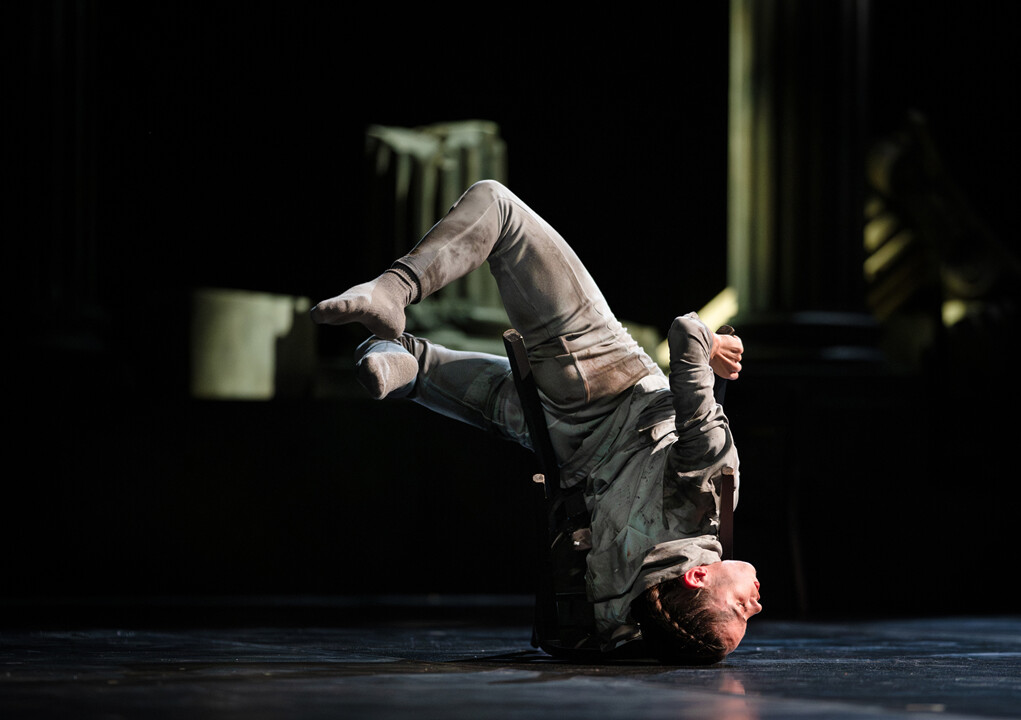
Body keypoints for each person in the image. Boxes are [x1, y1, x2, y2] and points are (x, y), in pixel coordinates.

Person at [311, 180, 761, 664]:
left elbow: (685, 333)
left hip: (595, 377)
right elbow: (640, 634)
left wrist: (713, 345)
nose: (756, 605)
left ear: (696, 576)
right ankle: (387, 362)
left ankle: (391, 290)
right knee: (414, 368)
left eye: (740, 608)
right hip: (551, 438)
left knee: (498, 207)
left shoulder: (706, 491)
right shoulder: (620, 606)